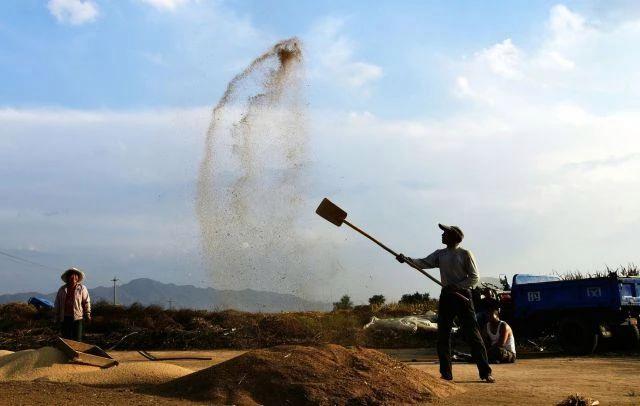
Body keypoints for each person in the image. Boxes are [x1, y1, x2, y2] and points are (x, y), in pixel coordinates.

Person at [396, 224, 494, 383]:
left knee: (473, 335)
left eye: (445, 233)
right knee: (443, 336)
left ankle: (485, 372)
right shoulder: (440, 254)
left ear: (454, 237)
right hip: (447, 296)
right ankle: (446, 374)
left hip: (463, 296)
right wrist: (406, 260)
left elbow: (474, 277)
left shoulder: (465, 254)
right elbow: (423, 263)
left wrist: (458, 286)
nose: (442, 235)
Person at [54, 267, 91, 341]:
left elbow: (86, 301)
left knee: (77, 340)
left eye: (75, 275)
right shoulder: (62, 289)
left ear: (77, 278)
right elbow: (57, 303)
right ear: (67, 277)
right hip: (65, 318)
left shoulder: (82, 288)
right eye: (71, 275)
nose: (73, 277)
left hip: (78, 318)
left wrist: (87, 314)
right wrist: (56, 316)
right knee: (66, 340)